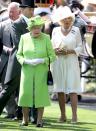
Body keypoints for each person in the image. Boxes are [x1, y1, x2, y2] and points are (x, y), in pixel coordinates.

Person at [16, 15, 56, 127]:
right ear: (30, 28)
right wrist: (25, 61)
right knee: (25, 94)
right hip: (27, 71)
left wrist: (43, 60)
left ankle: (39, 120)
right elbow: (18, 55)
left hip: (41, 71)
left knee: (40, 95)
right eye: (34, 28)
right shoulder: (23, 38)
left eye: (39, 27)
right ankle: (25, 119)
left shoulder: (46, 38)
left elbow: (53, 56)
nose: (37, 30)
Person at [51, 6, 83, 123]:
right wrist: (56, 50)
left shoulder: (76, 30)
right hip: (58, 62)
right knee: (60, 90)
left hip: (71, 62)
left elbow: (80, 46)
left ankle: (74, 116)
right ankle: (63, 115)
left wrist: (70, 51)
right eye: (64, 19)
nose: (67, 20)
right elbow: (51, 47)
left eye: (69, 18)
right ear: (60, 20)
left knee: (72, 90)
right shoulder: (55, 31)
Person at [0, 2, 21, 118]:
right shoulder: (2, 25)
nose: (11, 14)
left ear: (19, 12)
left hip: (21, 61)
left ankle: (20, 113)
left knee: (19, 88)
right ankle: (11, 112)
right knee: (5, 86)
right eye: (9, 11)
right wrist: (6, 49)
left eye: (13, 11)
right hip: (5, 60)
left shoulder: (24, 25)